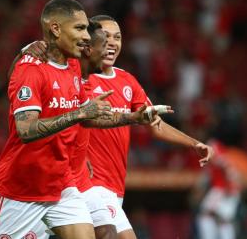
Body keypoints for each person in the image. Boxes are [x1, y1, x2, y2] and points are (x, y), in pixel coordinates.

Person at [20, 20, 170, 239]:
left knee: (106, 232)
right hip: (44, 176)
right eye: (104, 44)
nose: (109, 49)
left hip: (76, 178)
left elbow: (90, 120)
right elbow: (70, 118)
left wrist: (132, 118)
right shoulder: (62, 73)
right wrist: (25, 51)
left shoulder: (90, 80)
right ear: (89, 49)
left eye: (115, 39)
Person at [0, 0, 114, 239]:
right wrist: (80, 113)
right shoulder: (31, 69)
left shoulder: (73, 64)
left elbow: (81, 116)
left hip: (60, 183)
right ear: (55, 29)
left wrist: (133, 118)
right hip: (21, 188)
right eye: (79, 28)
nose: (86, 36)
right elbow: (26, 130)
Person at [86, 15, 214, 239]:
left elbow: (155, 124)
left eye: (118, 37)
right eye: (105, 37)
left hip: (114, 186)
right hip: (88, 183)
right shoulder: (80, 78)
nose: (112, 43)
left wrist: (194, 144)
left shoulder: (127, 81)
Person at [195, 139, 247, 239]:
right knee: (216, 219)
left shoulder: (222, 160)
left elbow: (232, 176)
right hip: (223, 190)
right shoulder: (213, 162)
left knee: (214, 219)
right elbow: (205, 177)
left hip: (226, 191)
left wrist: (231, 189)